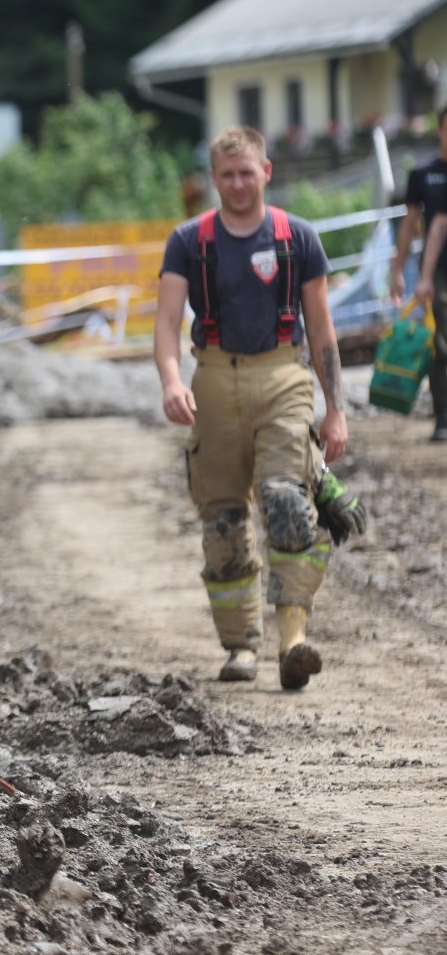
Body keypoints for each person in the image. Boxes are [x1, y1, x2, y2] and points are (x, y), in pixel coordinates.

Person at [154, 125, 362, 690]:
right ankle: (240, 646)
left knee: (286, 502)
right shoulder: (188, 241)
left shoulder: (298, 238)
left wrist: (335, 410)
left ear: (266, 171)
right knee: (223, 520)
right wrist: (172, 381)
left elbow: (322, 329)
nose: (239, 184)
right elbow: (168, 322)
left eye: (248, 172)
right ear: (214, 179)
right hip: (215, 380)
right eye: (227, 175)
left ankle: (294, 639)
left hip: (282, 375)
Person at [392, 105, 447, 442]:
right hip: (438, 271)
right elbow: (413, 225)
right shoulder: (424, 174)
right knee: (439, 344)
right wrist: (398, 270)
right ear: (440, 129)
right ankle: (443, 415)